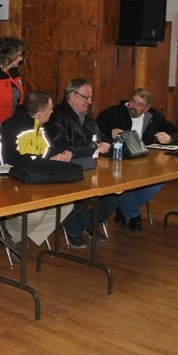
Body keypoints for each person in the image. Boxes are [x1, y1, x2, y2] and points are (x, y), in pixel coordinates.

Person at [0, 91, 76, 253]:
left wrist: (62, 154)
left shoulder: (40, 129)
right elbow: (8, 162)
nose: (53, 112)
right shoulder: (9, 127)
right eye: (50, 110)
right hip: (8, 181)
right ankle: (9, 232)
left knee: (66, 205)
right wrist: (48, 161)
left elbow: (49, 152)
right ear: (41, 114)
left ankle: (19, 235)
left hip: (33, 180)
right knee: (36, 213)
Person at [45, 78, 119, 248]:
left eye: (91, 98)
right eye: (87, 97)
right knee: (83, 191)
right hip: (68, 165)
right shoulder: (56, 116)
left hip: (92, 164)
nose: (90, 102)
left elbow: (100, 136)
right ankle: (74, 229)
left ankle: (91, 221)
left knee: (119, 189)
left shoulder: (88, 117)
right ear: (72, 95)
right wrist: (93, 147)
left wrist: (106, 143)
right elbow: (61, 145)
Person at [96, 88, 178, 231]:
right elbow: (93, 130)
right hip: (115, 162)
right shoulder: (113, 113)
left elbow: (176, 131)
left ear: (147, 108)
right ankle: (133, 214)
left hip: (142, 163)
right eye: (132, 102)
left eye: (140, 105)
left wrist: (170, 138)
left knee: (158, 181)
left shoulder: (153, 117)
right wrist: (108, 134)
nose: (134, 107)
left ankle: (124, 209)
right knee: (124, 182)